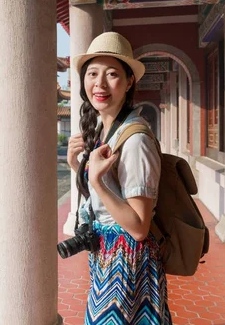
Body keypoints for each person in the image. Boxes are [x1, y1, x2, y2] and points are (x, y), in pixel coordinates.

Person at [67, 32, 172, 324]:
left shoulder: (135, 139)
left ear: (129, 82)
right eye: (92, 74)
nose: (99, 84)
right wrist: (77, 165)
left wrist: (98, 181)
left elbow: (139, 227)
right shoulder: (105, 130)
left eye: (111, 74)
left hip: (128, 263)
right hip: (108, 256)